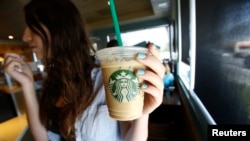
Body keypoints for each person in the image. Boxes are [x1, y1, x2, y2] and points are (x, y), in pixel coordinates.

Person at [3, 0, 165, 140]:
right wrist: (27, 85)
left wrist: (142, 114)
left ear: (58, 28)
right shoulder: (53, 81)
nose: (25, 37)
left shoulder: (107, 77)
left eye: (32, 27)